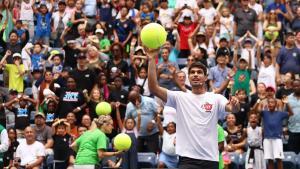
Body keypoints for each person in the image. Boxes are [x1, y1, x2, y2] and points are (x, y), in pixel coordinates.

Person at [146, 48, 240, 169]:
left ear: (206, 77)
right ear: (188, 77)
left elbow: (233, 108)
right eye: (192, 72)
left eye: (199, 72)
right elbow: (153, 88)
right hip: (187, 161)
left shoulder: (215, 98)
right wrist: (151, 59)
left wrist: (236, 104)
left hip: (210, 160)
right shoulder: (179, 97)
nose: (195, 74)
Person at [257, 98, 293, 169]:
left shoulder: (280, 113)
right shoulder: (264, 112)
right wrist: (258, 102)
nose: (270, 104)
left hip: (277, 139)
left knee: (278, 159)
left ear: (276, 104)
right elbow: (257, 111)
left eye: (272, 102)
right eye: (269, 102)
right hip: (267, 139)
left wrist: (287, 103)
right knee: (270, 159)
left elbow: (291, 113)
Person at [287, 79, 300, 154]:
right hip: (292, 129)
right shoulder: (288, 98)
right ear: (292, 87)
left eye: (298, 86)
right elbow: (284, 113)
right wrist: (284, 126)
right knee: (292, 153)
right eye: (294, 86)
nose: (296, 88)